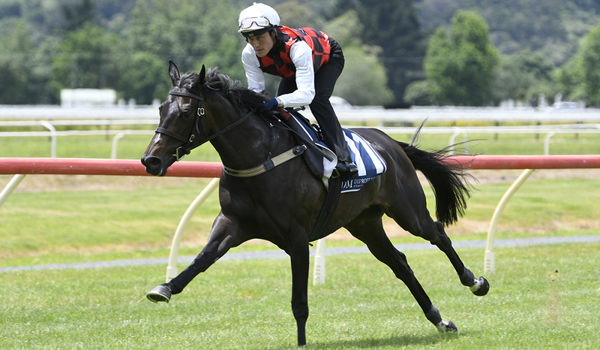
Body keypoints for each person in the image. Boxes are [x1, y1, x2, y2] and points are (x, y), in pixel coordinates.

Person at [238, 2, 358, 177]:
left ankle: (345, 160)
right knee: (279, 111)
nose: (255, 44)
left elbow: (307, 94)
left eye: (260, 37)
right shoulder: (249, 54)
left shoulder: (297, 48)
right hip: (292, 69)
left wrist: (276, 101)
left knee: (318, 100)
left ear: (273, 32)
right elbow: (256, 90)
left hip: (328, 57)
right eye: (249, 38)